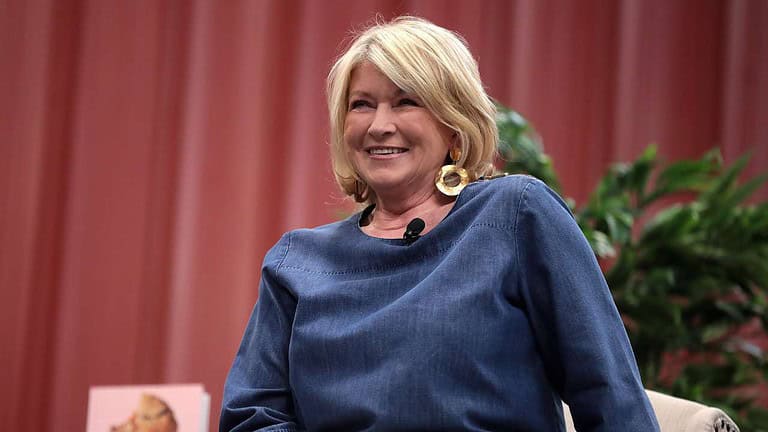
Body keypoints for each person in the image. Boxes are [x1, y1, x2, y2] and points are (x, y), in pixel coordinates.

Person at [220, 16, 659, 431]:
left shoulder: (515, 215)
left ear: (454, 125)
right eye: (361, 105)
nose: (379, 125)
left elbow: (608, 392)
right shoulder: (298, 262)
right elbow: (252, 415)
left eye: (406, 102)